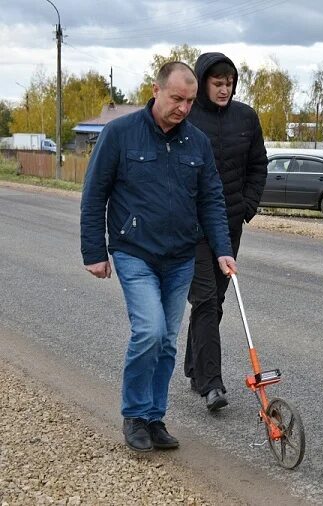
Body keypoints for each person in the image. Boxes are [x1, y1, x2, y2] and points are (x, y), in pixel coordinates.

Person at [80, 62, 236, 452]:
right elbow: (94, 193)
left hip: (181, 256)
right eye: (176, 99)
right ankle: (134, 415)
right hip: (135, 252)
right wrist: (94, 252)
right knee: (148, 331)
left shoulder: (196, 142)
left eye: (189, 101)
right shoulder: (120, 134)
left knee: (166, 342)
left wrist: (222, 249)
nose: (183, 108)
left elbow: (212, 199)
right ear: (156, 90)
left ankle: (154, 418)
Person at [183, 52, 267, 412]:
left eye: (229, 83)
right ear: (203, 83)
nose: (224, 89)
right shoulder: (188, 115)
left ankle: (194, 367)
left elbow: (258, 164)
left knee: (214, 300)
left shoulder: (245, 117)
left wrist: (247, 206)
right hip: (193, 225)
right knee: (203, 298)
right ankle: (211, 384)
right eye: (217, 83)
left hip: (230, 223)